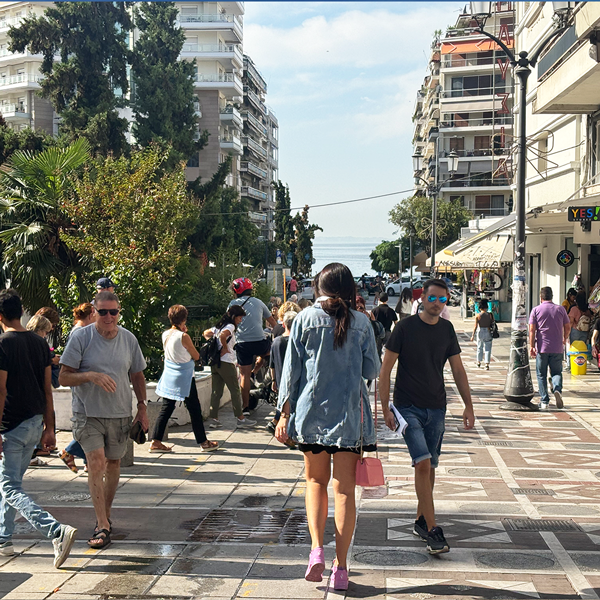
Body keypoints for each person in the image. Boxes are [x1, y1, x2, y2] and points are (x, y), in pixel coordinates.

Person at [275, 263, 380, 591]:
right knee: (345, 490)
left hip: (311, 416)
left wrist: (283, 414)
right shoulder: (361, 322)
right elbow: (372, 371)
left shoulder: (303, 319)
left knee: (314, 482)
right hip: (349, 417)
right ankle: (341, 567)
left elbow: (290, 373)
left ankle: (316, 551)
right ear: (350, 289)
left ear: (318, 288)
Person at [379, 279, 475, 556]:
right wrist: (385, 409)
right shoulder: (404, 328)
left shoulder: (446, 329)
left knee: (430, 465)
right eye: (432, 298)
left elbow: (458, 370)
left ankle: (421, 520)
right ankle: (433, 530)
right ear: (422, 298)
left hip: (436, 407)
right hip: (407, 407)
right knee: (421, 462)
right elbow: (385, 370)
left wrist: (468, 405)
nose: (437, 303)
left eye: (442, 299)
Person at [59, 291, 149, 550]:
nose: (108, 317)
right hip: (87, 414)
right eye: (102, 312)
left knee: (113, 463)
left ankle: (105, 516)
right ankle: (101, 524)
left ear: (119, 312)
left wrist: (142, 408)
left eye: (113, 312)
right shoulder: (81, 337)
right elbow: (63, 377)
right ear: (94, 312)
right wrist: (90, 376)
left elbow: (138, 375)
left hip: (119, 412)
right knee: (96, 462)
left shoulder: (128, 339)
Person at [0, 289, 77, 566]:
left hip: (12, 425)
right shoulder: (39, 343)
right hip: (34, 422)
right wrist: (49, 428)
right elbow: (47, 390)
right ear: (22, 312)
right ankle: (4, 540)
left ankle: (55, 531)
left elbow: (1, 391)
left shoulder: (3, 344)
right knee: (10, 484)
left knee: (9, 487)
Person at [149, 305, 219, 453]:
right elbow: (196, 356)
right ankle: (203, 442)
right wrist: (184, 334)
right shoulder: (183, 336)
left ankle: (156, 440)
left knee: (167, 407)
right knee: (194, 409)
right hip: (185, 377)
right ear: (184, 319)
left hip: (170, 375)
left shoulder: (165, 334)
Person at [228, 278, 276, 413]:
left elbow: (229, 321)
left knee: (244, 376)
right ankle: (256, 371)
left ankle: (245, 407)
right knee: (269, 352)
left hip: (242, 343)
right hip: (260, 342)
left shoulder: (232, 304)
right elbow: (272, 322)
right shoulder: (259, 302)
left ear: (237, 291)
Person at [203, 305, 256, 429]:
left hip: (215, 363)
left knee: (216, 392)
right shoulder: (230, 326)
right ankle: (240, 418)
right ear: (234, 317)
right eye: (239, 318)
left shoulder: (218, 326)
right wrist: (225, 348)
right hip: (226, 362)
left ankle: (214, 419)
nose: (240, 320)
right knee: (235, 390)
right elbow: (223, 335)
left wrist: (214, 344)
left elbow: (205, 333)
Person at [59, 303, 96, 474]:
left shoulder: (78, 330)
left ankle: (87, 461)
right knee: (89, 426)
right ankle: (70, 451)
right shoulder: (80, 332)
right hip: (82, 384)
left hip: (81, 383)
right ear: (90, 315)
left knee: (90, 426)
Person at [529, 286, 570, 410]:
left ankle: (544, 401)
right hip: (557, 347)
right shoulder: (560, 309)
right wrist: (564, 338)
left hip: (542, 348)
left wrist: (532, 346)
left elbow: (532, 330)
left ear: (540, 297)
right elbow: (568, 327)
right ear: (552, 296)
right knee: (556, 372)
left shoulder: (536, 310)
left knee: (541, 374)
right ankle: (557, 389)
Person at [267, 311, 298, 438]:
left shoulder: (276, 342)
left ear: (284, 324)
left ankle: (276, 423)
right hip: (296, 381)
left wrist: (273, 380)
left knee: (284, 405)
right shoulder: (297, 341)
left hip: (280, 381)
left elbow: (272, 364)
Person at [470, 299, 494, 370]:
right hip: (488, 331)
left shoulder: (478, 315)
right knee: (488, 348)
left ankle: (478, 362)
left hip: (480, 331)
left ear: (480, 308)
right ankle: (487, 364)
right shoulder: (490, 315)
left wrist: (472, 335)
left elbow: (475, 326)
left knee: (479, 347)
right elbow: (493, 324)